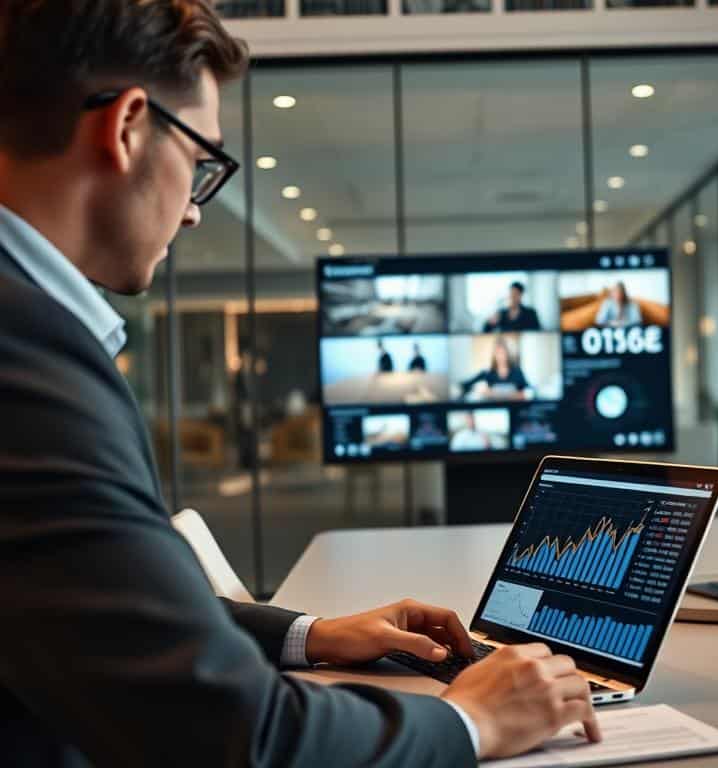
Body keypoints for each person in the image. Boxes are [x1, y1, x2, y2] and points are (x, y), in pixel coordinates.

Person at [0, 3, 599, 767]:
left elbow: (88, 609)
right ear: (125, 128)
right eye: (202, 164)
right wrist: (472, 722)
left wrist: (311, 634)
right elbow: (231, 738)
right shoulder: (24, 353)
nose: (192, 213)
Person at [460, 338, 530, 400]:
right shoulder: (488, 373)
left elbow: (527, 392)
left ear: (509, 354)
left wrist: (493, 394)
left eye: (503, 352)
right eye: (498, 352)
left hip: (515, 409)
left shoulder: (517, 372)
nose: (501, 356)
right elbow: (466, 385)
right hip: (495, 411)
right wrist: (479, 390)